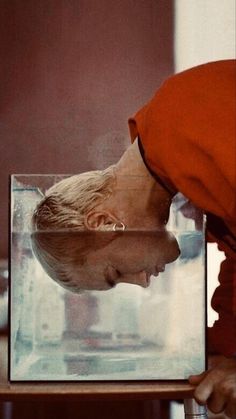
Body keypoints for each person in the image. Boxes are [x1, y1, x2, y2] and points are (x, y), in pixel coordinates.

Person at [32, 60, 236, 417]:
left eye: (115, 274)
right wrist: (220, 352)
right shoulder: (178, 166)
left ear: (103, 222)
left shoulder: (182, 118)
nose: (141, 283)